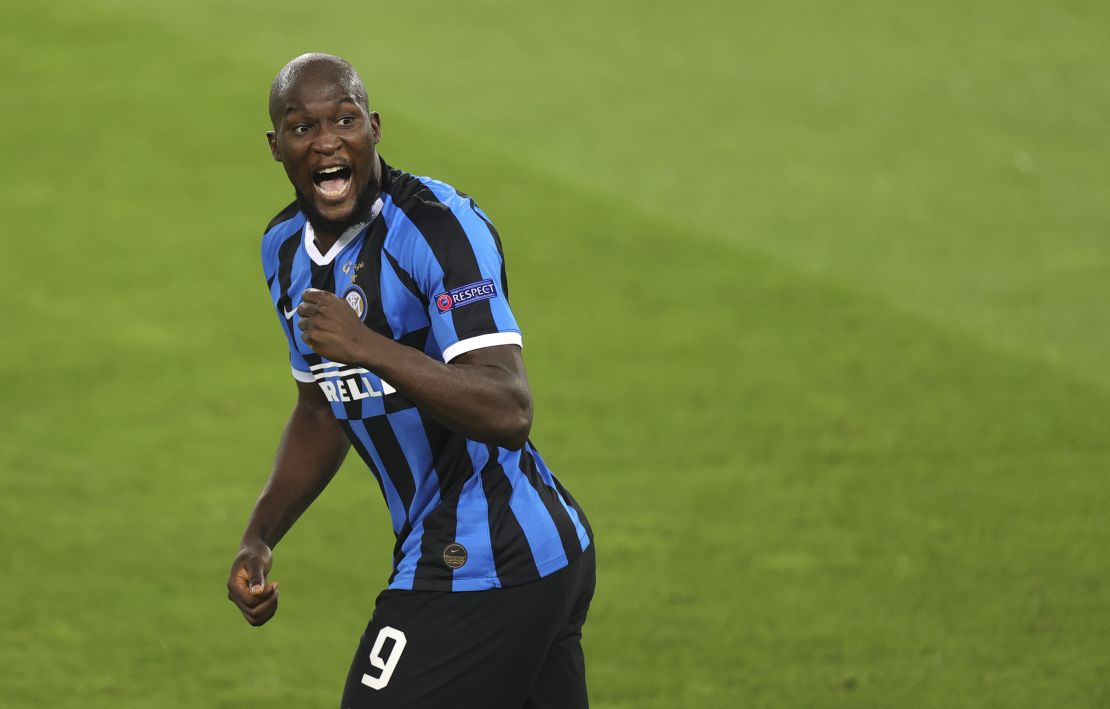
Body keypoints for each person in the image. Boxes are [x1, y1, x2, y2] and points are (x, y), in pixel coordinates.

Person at [225, 53, 595, 709]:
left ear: (373, 126)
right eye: (302, 126)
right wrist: (260, 536)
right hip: (525, 560)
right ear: (276, 147)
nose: (328, 139)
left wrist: (367, 345)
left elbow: (509, 409)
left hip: (483, 558)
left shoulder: (439, 226)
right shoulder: (282, 249)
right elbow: (319, 408)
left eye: (344, 118)